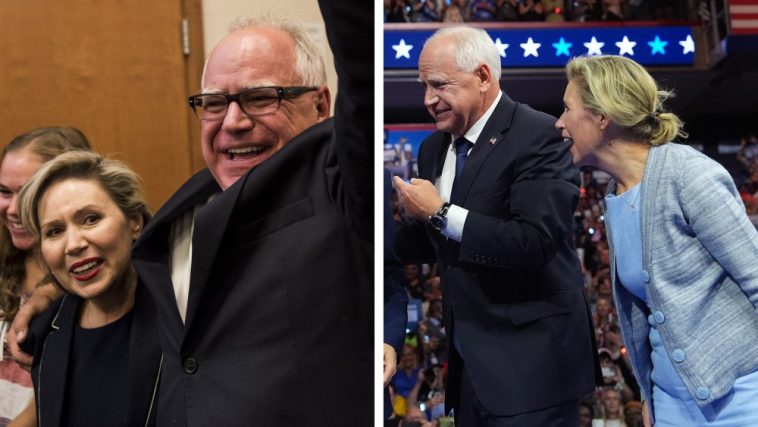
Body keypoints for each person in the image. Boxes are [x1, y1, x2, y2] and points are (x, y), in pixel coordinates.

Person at [10, 2, 373, 425]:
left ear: (319, 104)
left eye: (259, 98)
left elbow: (363, 62)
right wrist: (50, 291)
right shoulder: (179, 214)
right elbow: (118, 272)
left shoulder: (340, 184)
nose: (233, 122)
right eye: (214, 104)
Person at [393, 26, 597, 425]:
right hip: (469, 369)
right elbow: (439, 241)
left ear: (483, 76)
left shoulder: (539, 134)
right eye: (423, 86)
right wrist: (370, 238)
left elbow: (533, 241)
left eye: (438, 85)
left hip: (534, 370)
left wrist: (438, 211)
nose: (428, 100)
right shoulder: (433, 148)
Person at [555, 54, 758, 425]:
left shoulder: (688, 174)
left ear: (603, 117)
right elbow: (646, 315)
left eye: (568, 109)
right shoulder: (616, 196)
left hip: (741, 398)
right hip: (671, 405)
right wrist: (650, 393)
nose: (559, 123)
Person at [18, 151, 160, 426]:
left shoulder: (179, 314)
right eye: (54, 231)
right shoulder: (46, 330)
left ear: (135, 222)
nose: (73, 244)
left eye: (91, 219)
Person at [0, 127, 92, 426]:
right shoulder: (6, 265)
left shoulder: (90, 279)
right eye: (4, 192)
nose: (13, 209)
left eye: (27, 192)